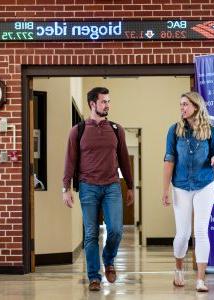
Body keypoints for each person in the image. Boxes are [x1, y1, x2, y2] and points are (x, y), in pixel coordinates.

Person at [62, 87, 134, 292]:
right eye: (104, 102)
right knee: (91, 234)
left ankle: (109, 260)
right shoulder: (79, 130)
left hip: (112, 186)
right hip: (88, 187)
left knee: (116, 231)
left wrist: (129, 185)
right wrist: (65, 187)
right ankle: (94, 276)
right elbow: (70, 160)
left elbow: (123, 160)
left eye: (108, 101)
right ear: (92, 104)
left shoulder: (116, 129)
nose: (107, 105)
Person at [162, 91, 214, 293]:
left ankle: (200, 280)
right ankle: (178, 269)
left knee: (200, 231)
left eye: (185, 104)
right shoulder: (174, 131)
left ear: (196, 106)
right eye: (180, 105)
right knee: (183, 234)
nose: (182, 108)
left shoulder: (211, 131)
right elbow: (169, 160)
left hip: (204, 185)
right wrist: (165, 189)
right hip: (180, 186)